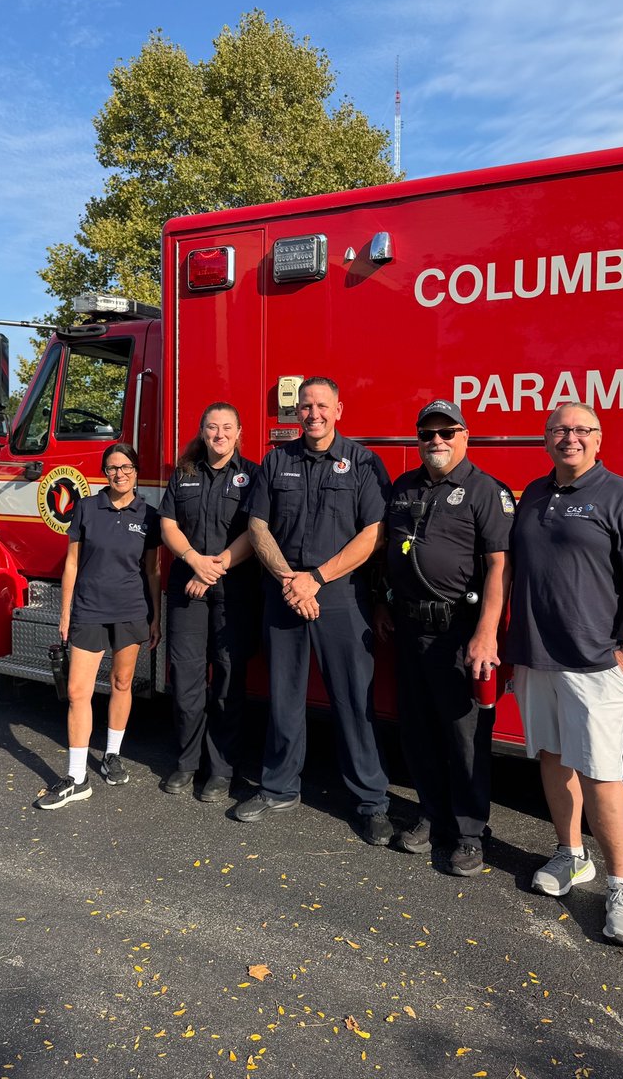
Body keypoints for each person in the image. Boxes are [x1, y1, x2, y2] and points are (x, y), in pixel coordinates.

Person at [506, 402, 623, 947]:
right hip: (537, 658)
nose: (569, 438)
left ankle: (622, 886)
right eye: (560, 430)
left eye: (581, 430)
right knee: (553, 758)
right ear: (545, 438)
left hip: (593, 663)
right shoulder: (532, 493)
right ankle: (570, 854)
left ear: (599, 439)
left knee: (603, 774)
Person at [232, 376, 393, 846]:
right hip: (286, 590)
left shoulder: (363, 462)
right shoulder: (276, 459)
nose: (313, 414)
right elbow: (258, 526)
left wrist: (316, 579)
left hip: (340, 594)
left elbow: (374, 534)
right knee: (283, 695)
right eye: (305, 406)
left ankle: (371, 801)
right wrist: (289, 579)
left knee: (354, 700)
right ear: (295, 412)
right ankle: (279, 788)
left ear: (339, 409)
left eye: (322, 405)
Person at [375, 399, 513, 877]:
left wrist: (486, 634)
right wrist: (381, 603)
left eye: (446, 432)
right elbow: (385, 551)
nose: (436, 441)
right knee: (418, 732)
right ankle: (432, 815)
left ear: (464, 435)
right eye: (427, 433)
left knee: (465, 736)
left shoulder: (485, 491)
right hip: (409, 629)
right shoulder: (403, 488)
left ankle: (471, 834)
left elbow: (499, 566)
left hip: (459, 634)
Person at [34, 443, 162, 809]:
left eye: (125, 467)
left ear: (136, 470)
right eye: (111, 469)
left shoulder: (148, 516)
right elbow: (71, 564)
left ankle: (111, 755)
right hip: (89, 610)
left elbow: (152, 570)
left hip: (131, 611)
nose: (118, 474)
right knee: (77, 691)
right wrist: (64, 611)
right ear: (104, 473)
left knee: (122, 683)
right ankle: (77, 777)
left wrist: (156, 616)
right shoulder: (88, 508)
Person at [159, 402, 260, 801]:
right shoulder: (184, 474)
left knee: (228, 683)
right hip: (188, 589)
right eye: (212, 428)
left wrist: (214, 568)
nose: (219, 435)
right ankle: (186, 763)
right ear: (202, 432)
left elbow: (257, 530)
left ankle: (221, 770)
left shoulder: (252, 476)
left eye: (227, 428)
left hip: (233, 592)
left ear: (239, 432)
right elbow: (168, 524)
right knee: (186, 682)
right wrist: (193, 561)